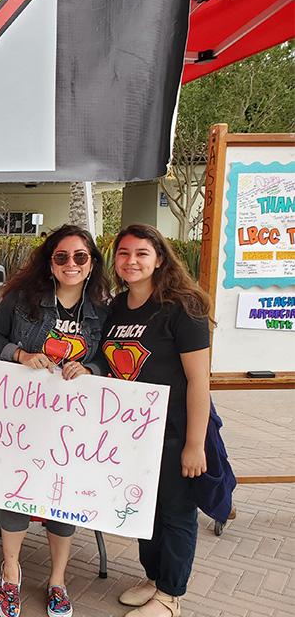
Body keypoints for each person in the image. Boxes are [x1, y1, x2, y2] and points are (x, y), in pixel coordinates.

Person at [0, 223, 111, 617]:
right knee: (15, 494)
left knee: (62, 500)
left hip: (76, 426)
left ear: (91, 265)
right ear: (50, 262)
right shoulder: (24, 300)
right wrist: (19, 355)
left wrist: (90, 368)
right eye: (62, 256)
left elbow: (112, 358)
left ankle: (58, 580)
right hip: (22, 419)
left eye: (80, 257)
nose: (71, 264)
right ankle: (10, 573)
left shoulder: (104, 311)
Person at [103, 225, 213, 617]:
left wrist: (194, 444)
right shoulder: (115, 307)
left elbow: (200, 380)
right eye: (124, 253)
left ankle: (170, 595)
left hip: (176, 429)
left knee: (176, 510)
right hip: (133, 433)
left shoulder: (183, 307)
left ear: (160, 259)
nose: (131, 261)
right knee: (143, 508)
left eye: (142, 253)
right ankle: (153, 577)